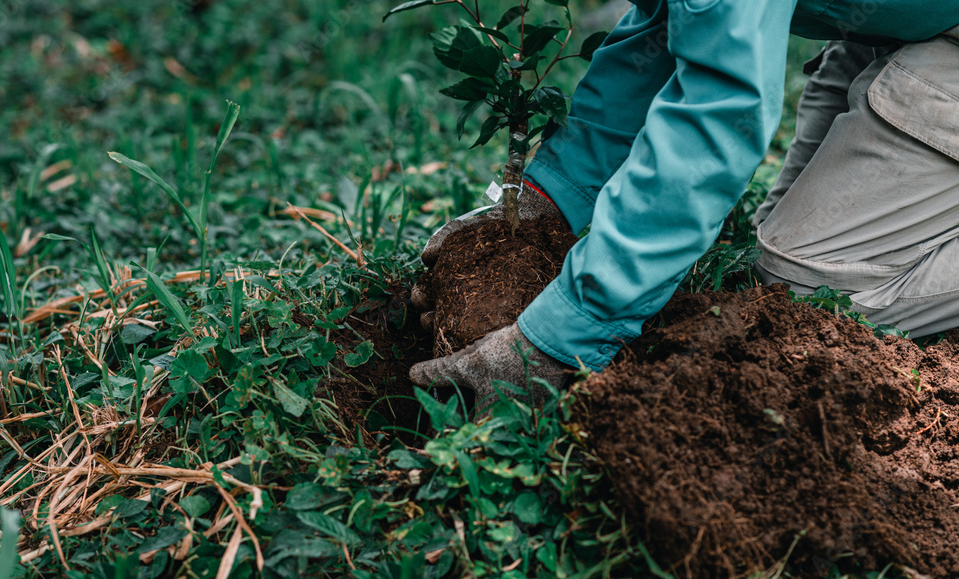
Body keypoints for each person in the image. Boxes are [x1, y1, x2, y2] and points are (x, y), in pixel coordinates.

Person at [409, 0, 959, 409]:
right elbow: (670, 22)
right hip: (884, 25)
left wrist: (562, 338)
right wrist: (551, 198)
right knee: (775, 260)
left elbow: (719, 113)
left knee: (806, 299)